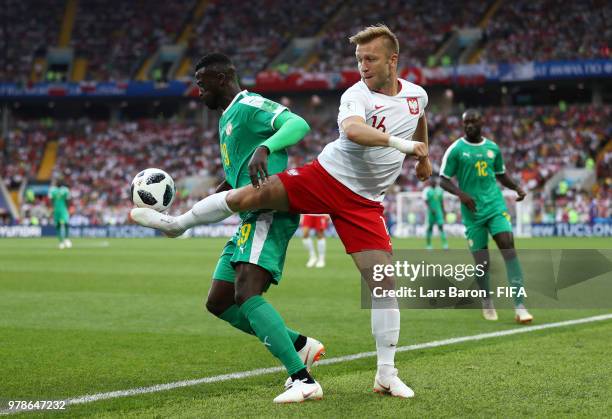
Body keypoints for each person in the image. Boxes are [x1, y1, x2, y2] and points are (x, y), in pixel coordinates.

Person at [132, 24, 431, 398]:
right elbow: (354, 131)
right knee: (250, 197)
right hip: (328, 176)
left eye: (369, 59)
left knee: (383, 284)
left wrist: (424, 156)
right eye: (358, 60)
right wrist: (406, 146)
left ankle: (386, 373)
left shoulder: (417, 95)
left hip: (366, 201)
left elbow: (419, 118)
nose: (363, 66)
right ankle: (178, 224)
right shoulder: (356, 95)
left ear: (392, 59)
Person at [179, 53, 325, 403]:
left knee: (246, 293)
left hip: (269, 209)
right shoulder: (227, 117)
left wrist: (266, 146)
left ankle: (303, 380)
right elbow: (233, 180)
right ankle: (299, 345)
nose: (199, 93)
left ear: (220, 78)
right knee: (219, 301)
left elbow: (297, 124)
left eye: (201, 85)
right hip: (248, 215)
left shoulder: (249, 104)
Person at [439, 109, 533, 324]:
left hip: (495, 206)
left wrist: (517, 187)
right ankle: (487, 300)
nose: (469, 125)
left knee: (508, 248)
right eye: (465, 123)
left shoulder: (492, 148)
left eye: (473, 121)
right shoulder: (456, 150)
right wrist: (461, 194)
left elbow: (500, 174)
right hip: (473, 213)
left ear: (482, 122)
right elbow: (442, 180)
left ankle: (520, 306)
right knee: (483, 262)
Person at [422, 176, 448, 250]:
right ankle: (429, 245)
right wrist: (431, 209)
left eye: (434, 182)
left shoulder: (440, 191)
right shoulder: (427, 190)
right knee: (429, 228)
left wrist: (444, 211)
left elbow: (442, 202)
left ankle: (445, 245)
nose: (433, 183)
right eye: (432, 182)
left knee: (441, 227)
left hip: (439, 212)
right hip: (430, 213)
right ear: (430, 183)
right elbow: (426, 201)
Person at [48, 179, 72, 249]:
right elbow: (50, 200)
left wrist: (68, 208)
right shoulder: (52, 190)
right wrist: (51, 208)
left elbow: (68, 200)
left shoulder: (65, 190)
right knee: (58, 225)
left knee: (66, 223)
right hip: (56, 210)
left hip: (63, 209)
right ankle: (61, 242)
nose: (58, 183)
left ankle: (66, 239)